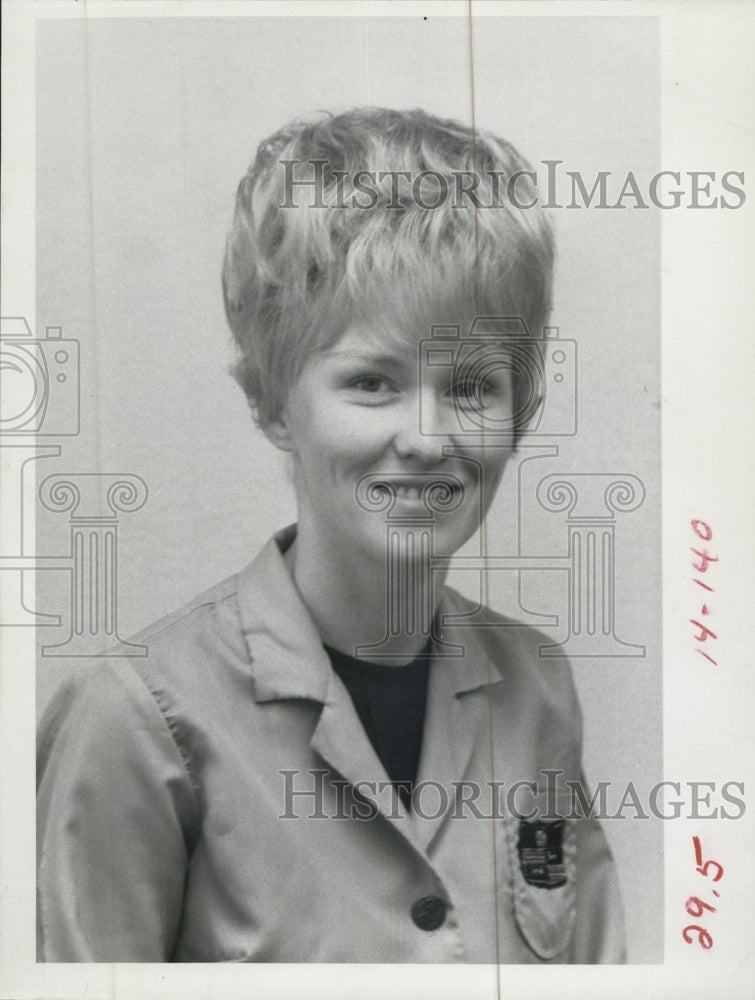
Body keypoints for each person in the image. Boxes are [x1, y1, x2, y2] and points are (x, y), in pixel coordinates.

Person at [36, 108, 626, 963]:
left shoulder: (538, 689)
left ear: (522, 409)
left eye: (471, 387)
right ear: (272, 402)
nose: (428, 438)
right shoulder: (132, 716)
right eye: (372, 382)